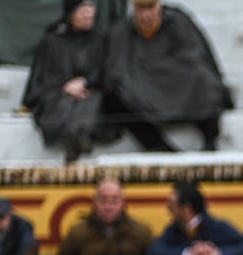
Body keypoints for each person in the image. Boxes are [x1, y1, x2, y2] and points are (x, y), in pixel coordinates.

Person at [100, 0, 233, 152]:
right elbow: (116, 70)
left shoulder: (178, 21)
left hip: (179, 82)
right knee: (114, 95)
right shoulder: (122, 31)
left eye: (150, 8)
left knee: (204, 79)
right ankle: (157, 146)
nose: (146, 16)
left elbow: (196, 56)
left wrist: (162, 69)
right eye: (141, 9)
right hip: (143, 87)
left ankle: (210, 139)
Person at [22, 0, 115, 163]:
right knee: (61, 103)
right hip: (58, 92)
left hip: (92, 91)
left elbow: (107, 71)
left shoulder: (102, 39)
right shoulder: (52, 41)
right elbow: (42, 80)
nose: (88, 13)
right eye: (83, 9)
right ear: (71, 13)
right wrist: (66, 87)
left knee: (93, 102)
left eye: (91, 8)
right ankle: (74, 136)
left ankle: (75, 137)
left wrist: (86, 82)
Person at [145, 180, 243, 255]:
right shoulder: (173, 230)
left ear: (186, 209)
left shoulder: (216, 227)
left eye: (172, 205)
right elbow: (154, 251)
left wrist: (218, 254)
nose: (169, 210)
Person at [55, 177, 154, 255]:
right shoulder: (77, 233)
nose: (108, 207)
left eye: (114, 201)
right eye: (103, 200)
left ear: (123, 204)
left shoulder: (141, 233)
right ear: (94, 203)